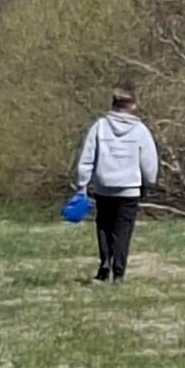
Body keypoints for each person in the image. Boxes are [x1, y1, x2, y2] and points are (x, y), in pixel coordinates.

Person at [74, 84, 159, 283]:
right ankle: (118, 272)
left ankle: (105, 263)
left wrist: (82, 183)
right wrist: (149, 181)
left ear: (113, 103)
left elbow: (87, 157)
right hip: (129, 189)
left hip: (104, 187)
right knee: (123, 230)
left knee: (104, 226)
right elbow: (149, 161)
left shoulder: (99, 126)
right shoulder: (140, 130)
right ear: (133, 105)